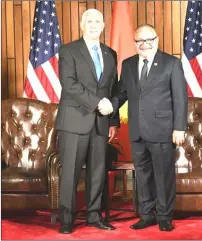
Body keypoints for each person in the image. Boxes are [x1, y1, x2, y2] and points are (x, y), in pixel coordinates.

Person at [111, 24, 188, 231]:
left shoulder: (171, 63)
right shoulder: (128, 65)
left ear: (157, 39)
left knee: (163, 176)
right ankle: (147, 215)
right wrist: (111, 109)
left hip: (163, 129)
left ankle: (164, 215)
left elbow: (180, 98)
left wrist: (179, 127)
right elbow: (121, 93)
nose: (144, 44)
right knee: (143, 175)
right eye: (140, 41)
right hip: (137, 131)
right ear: (135, 43)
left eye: (148, 40)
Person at [55, 9, 119, 234]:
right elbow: (69, 84)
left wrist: (113, 121)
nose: (94, 25)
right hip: (75, 120)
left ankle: (94, 216)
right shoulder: (69, 50)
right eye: (89, 21)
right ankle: (66, 218)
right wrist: (97, 103)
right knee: (71, 171)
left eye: (98, 21)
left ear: (103, 25)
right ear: (82, 25)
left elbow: (113, 88)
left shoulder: (110, 53)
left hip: (101, 123)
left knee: (97, 172)